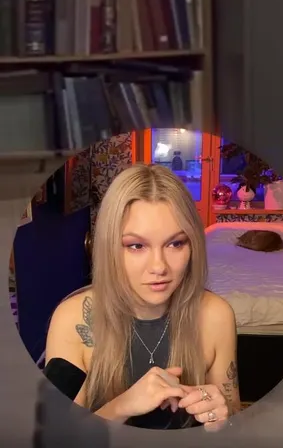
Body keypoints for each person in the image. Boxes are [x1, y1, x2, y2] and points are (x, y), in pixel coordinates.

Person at [43, 164, 239, 430]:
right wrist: (122, 406)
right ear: (110, 247)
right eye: (136, 246)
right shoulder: (72, 318)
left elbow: (231, 422)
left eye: (175, 243)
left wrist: (219, 422)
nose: (159, 267)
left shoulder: (216, 315)